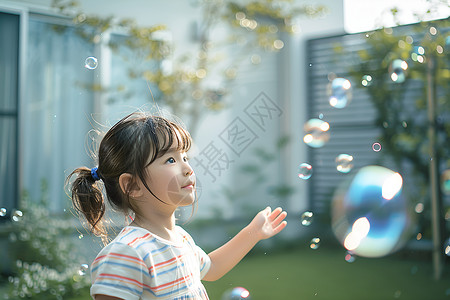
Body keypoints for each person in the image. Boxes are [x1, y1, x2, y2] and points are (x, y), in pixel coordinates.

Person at [67, 112, 287, 300]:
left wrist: (253, 232)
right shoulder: (128, 252)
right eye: (170, 160)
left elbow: (211, 267)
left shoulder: (181, 239)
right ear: (132, 185)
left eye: (185, 156)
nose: (188, 168)